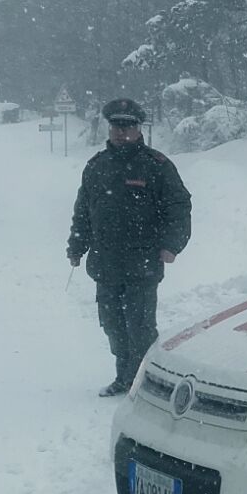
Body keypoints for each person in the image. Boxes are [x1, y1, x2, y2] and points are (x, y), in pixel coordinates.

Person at [67, 98, 192, 396]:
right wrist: (77, 244)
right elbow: (84, 209)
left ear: (139, 129)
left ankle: (147, 384)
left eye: (128, 126)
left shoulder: (156, 166)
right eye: (116, 126)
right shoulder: (97, 166)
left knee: (141, 327)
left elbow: (179, 206)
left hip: (142, 262)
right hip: (105, 263)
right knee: (112, 325)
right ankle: (124, 377)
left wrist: (171, 245)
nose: (121, 132)